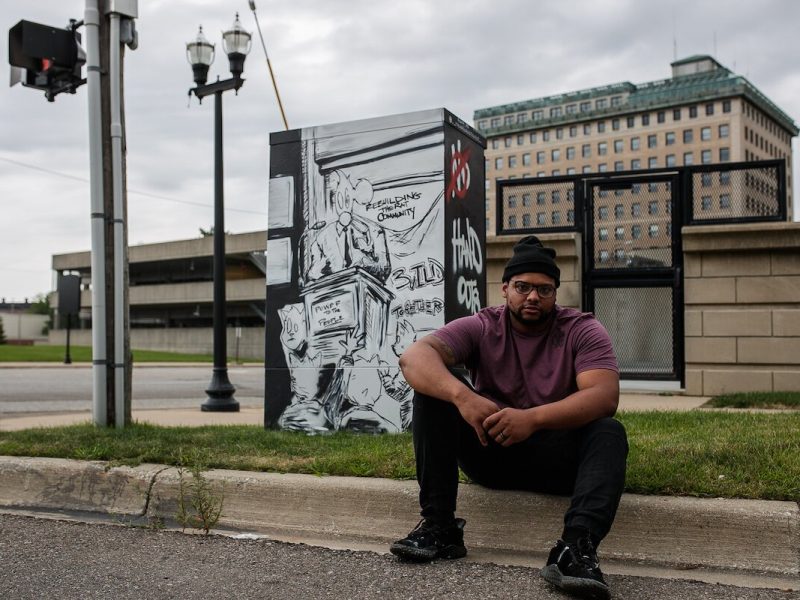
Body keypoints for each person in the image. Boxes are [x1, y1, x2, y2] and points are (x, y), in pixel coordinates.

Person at [389, 235, 628, 600]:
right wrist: (463, 397)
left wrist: (531, 419)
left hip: (558, 460)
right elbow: (414, 358)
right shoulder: (484, 325)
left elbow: (604, 395)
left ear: (555, 293)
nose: (533, 297)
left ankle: (574, 549)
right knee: (434, 393)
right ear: (505, 289)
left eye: (544, 289)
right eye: (523, 287)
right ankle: (440, 529)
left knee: (608, 431)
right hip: (491, 451)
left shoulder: (581, 328)